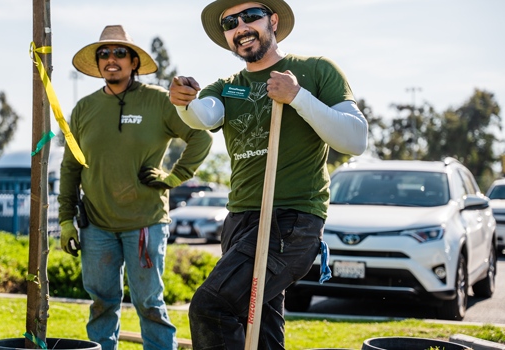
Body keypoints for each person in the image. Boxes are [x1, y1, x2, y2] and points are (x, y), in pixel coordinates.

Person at [168, 0, 368, 349]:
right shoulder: (226, 87)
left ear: (272, 20)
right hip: (241, 219)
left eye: (251, 16)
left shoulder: (316, 69)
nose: (240, 26)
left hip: (291, 219)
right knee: (259, 328)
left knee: (211, 307)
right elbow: (205, 114)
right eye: (230, 22)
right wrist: (184, 102)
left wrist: (297, 96)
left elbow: (355, 139)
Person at [58, 25, 213, 350]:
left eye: (118, 53)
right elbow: (71, 166)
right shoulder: (84, 108)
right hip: (96, 227)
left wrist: (173, 177)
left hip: (145, 224)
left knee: (150, 305)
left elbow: (201, 136)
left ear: (133, 62)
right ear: (98, 63)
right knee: (101, 303)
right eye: (103, 54)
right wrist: (64, 220)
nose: (110, 59)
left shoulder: (157, 101)